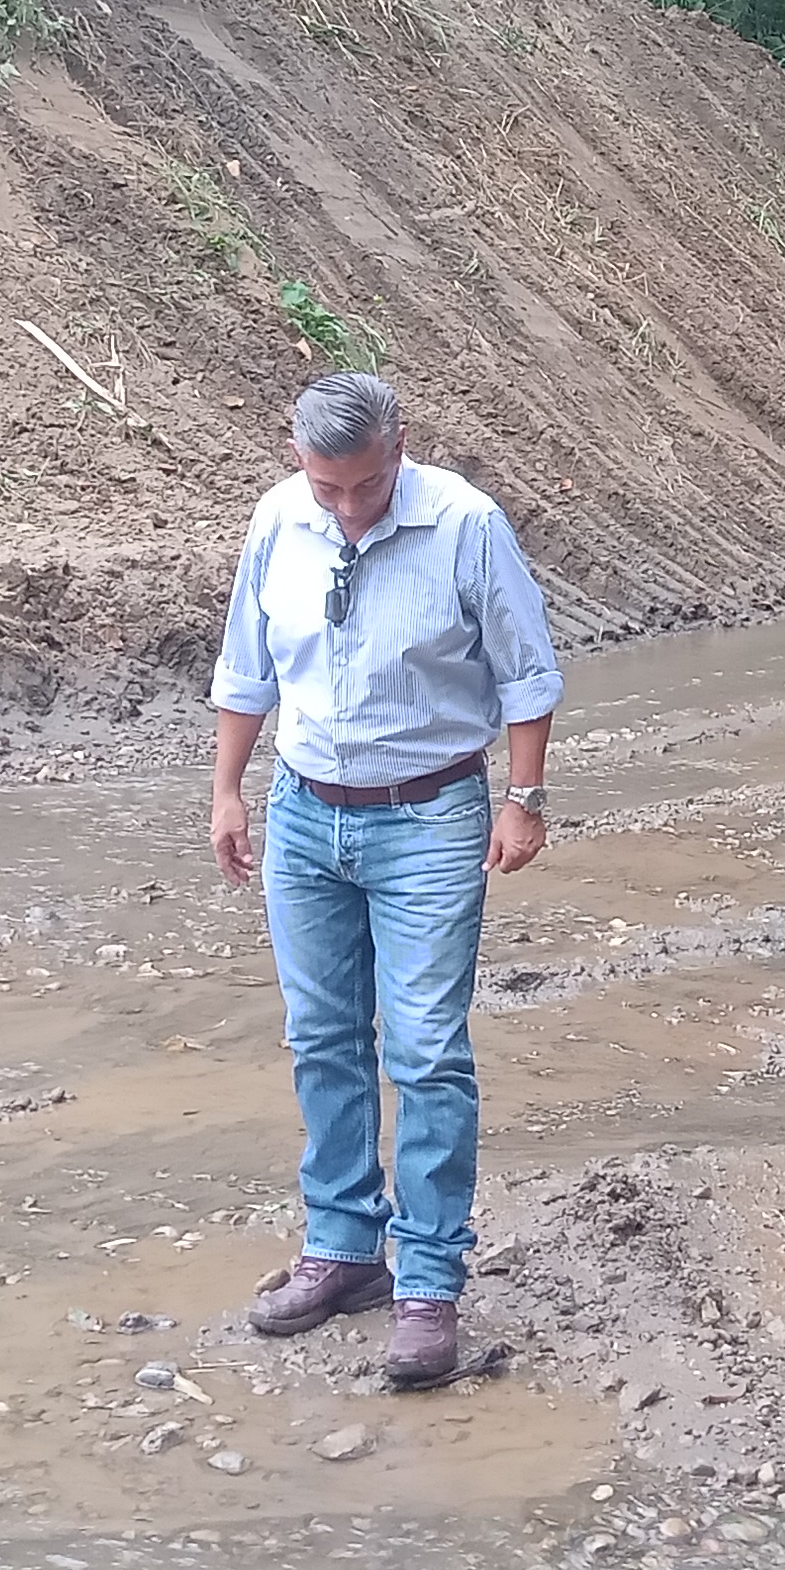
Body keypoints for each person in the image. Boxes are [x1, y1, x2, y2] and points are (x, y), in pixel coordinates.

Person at [208, 370, 561, 1390]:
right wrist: (228, 791)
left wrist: (524, 799)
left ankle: (429, 1286)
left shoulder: (465, 524)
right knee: (321, 1036)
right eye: (329, 487)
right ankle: (343, 1249)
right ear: (298, 461)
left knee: (426, 1050)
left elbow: (527, 670)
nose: (350, 506)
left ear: (399, 449)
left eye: (366, 484)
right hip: (304, 811)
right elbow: (247, 667)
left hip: (431, 816)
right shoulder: (279, 520)